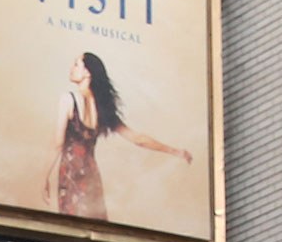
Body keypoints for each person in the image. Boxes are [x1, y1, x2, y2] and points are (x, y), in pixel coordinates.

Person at [42, 52, 193, 220]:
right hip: (91, 176)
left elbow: (58, 144)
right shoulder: (102, 109)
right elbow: (138, 139)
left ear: (88, 72)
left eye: (76, 64)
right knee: (94, 227)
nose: (71, 68)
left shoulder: (68, 99)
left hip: (71, 175)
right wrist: (176, 152)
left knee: (73, 230)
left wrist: (44, 177)